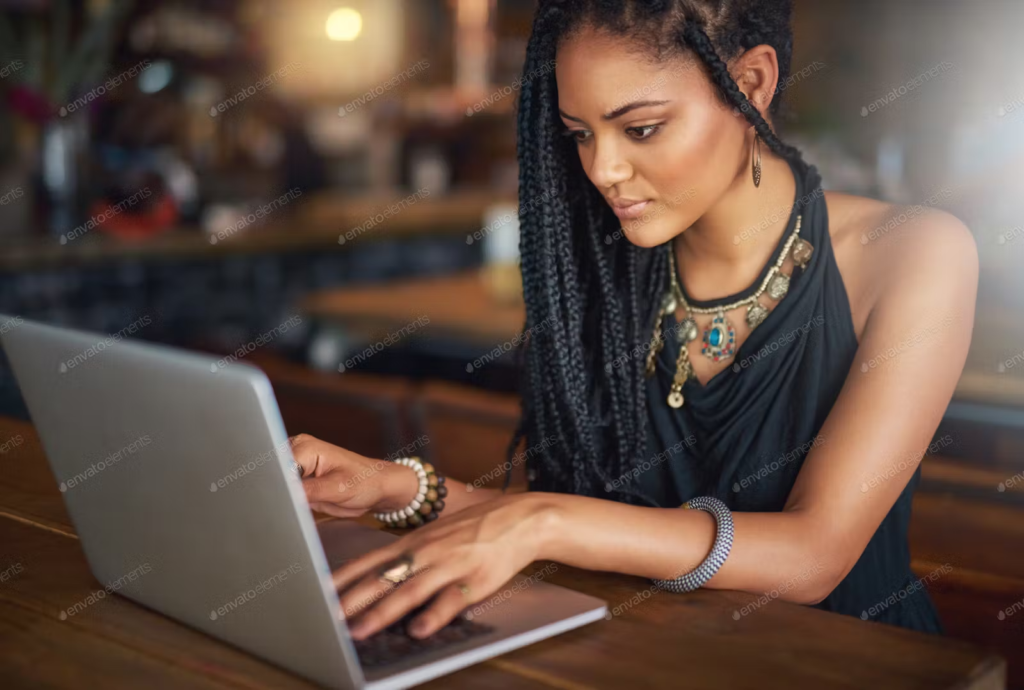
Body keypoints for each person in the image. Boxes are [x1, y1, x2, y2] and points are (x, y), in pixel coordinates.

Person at [292, 0, 977, 642]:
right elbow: (568, 518)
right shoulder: (604, 265)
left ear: (753, 83)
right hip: (659, 657)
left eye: (641, 128)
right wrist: (398, 488)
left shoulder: (914, 252)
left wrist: (541, 522)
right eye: (581, 135)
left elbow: (814, 556)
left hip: (847, 663)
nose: (604, 169)